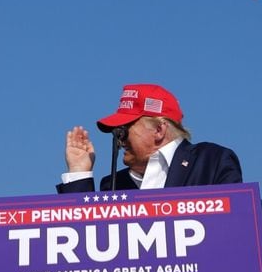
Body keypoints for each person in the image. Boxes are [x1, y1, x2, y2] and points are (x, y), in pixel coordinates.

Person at [56, 83, 241, 194]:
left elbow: (234, 224)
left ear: (159, 130)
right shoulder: (113, 185)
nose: (119, 139)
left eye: (125, 129)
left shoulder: (211, 162)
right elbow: (86, 236)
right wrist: (79, 172)